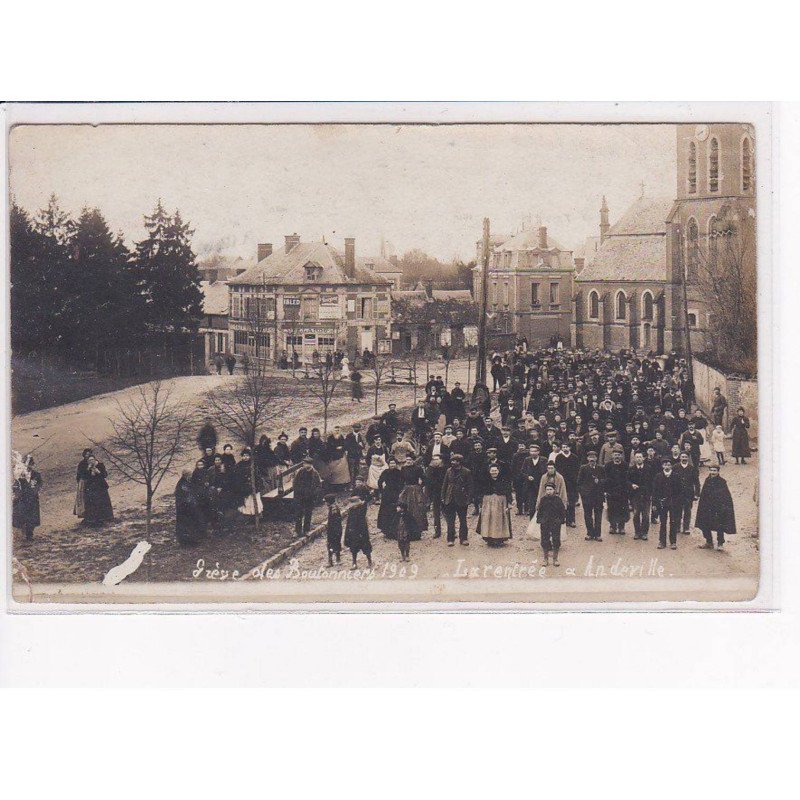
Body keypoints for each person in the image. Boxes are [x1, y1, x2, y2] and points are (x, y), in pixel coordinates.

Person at [695, 464, 737, 550]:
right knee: (705, 524)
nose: (713, 472)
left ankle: (720, 543)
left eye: (714, 471)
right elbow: (704, 494)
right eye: (711, 470)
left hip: (718, 508)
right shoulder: (707, 480)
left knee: (719, 525)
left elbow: (726, 496)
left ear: (718, 471)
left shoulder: (722, 482)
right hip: (707, 507)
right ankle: (709, 542)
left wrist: (723, 507)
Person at [441, 454, 473, 546]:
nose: (452, 462)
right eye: (452, 461)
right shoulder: (448, 471)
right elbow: (445, 485)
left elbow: (470, 486)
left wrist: (469, 499)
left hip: (461, 499)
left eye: (454, 461)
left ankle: (463, 539)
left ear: (459, 462)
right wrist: (443, 497)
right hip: (449, 498)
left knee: (463, 520)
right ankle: (450, 539)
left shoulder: (466, 472)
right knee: (450, 521)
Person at [478, 463, 513, 546]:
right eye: (492, 471)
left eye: (495, 470)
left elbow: (508, 491)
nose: (494, 472)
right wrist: (480, 504)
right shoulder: (485, 480)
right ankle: (489, 538)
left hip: (501, 502)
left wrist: (509, 503)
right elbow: (481, 492)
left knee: (499, 519)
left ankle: (499, 538)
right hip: (488, 501)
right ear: (489, 471)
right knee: (488, 518)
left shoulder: (504, 480)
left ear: (498, 471)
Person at [652, 458, 681, 550]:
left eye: (669, 464)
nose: (667, 466)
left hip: (673, 503)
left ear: (671, 466)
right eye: (665, 465)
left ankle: (673, 542)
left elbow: (680, 491)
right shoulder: (658, 476)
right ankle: (662, 542)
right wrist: (655, 504)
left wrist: (677, 502)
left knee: (673, 522)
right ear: (662, 466)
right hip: (662, 503)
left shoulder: (676, 476)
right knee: (663, 522)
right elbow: (655, 491)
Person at [12, 454, 43, 541]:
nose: (28, 466)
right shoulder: (19, 475)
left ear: (32, 464)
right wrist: (18, 493)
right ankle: (23, 533)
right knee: (23, 516)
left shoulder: (36, 474)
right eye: (26, 464)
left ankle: (30, 534)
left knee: (32, 517)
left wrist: (35, 490)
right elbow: (15, 486)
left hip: (33, 499)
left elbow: (40, 484)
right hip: (23, 499)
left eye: (30, 464)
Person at [174, 469, 207, 546]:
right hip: (185, 509)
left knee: (189, 524)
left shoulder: (184, 483)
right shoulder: (183, 484)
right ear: (186, 475)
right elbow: (187, 496)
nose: (191, 476)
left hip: (185, 508)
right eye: (190, 475)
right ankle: (187, 542)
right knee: (187, 525)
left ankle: (189, 541)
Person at [537, 483, 566, 567]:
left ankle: (555, 559)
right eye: (547, 489)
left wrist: (561, 520)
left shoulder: (558, 500)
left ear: (554, 490)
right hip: (545, 522)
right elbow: (540, 511)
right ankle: (545, 559)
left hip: (555, 523)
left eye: (550, 489)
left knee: (556, 539)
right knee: (544, 539)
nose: (549, 491)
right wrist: (540, 520)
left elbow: (562, 511)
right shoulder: (543, 500)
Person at [344, 481, 373, 568]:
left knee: (365, 545)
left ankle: (369, 561)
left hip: (361, 531)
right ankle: (354, 563)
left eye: (355, 504)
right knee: (353, 548)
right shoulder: (351, 511)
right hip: (353, 532)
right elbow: (349, 523)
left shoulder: (361, 511)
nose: (354, 506)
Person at [577, 450, 604, 541]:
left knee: (598, 515)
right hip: (587, 496)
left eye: (594, 457)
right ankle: (590, 533)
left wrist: (599, 481)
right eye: (590, 457)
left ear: (596, 458)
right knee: (588, 515)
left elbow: (605, 481)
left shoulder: (601, 468)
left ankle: (598, 534)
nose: (592, 459)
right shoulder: (583, 468)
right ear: (587, 459)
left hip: (598, 496)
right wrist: (583, 493)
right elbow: (579, 482)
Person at [603, 447, 630, 535]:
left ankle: (621, 527)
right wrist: (606, 490)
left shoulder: (625, 465)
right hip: (611, 491)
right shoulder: (608, 465)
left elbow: (627, 478)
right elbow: (605, 479)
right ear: (612, 456)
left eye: (618, 455)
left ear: (621, 456)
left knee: (623, 508)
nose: (617, 457)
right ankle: (613, 526)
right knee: (612, 508)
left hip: (622, 491)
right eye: (615, 455)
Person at [292, 456, 321, 536]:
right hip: (300, 496)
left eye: (307, 464)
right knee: (299, 514)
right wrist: (297, 493)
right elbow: (295, 483)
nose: (305, 465)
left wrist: (313, 494)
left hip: (310, 497)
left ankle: (306, 530)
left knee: (308, 513)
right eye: (304, 464)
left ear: (311, 465)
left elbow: (318, 486)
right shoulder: (300, 471)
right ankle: (297, 531)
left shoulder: (315, 473)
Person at [82, 454, 114, 526]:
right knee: (93, 504)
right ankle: (94, 519)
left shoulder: (100, 465)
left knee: (103, 502)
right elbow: (84, 477)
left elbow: (105, 475)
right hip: (92, 488)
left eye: (92, 460)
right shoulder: (87, 468)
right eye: (89, 460)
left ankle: (106, 517)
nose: (91, 461)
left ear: (95, 459)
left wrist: (98, 472)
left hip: (101, 487)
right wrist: (88, 470)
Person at [627, 451, 652, 540]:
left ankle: (644, 533)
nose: (638, 459)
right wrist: (631, 485)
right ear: (634, 459)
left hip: (646, 495)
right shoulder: (631, 469)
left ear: (643, 458)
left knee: (646, 515)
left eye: (640, 457)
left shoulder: (649, 468)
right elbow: (627, 480)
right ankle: (637, 532)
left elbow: (652, 482)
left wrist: (650, 492)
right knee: (636, 514)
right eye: (637, 457)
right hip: (635, 495)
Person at [376, 457, 403, 539]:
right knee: (386, 511)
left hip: (396, 492)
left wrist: (401, 490)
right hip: (387, 493)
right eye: (391, 463)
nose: (392, 465)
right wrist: (381, 491)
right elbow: (380, 481)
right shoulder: (385, 472)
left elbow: (402, 482)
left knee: (395, 510)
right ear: (388, 464)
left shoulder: (399, 472)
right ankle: (387, 531)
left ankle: (395, 530)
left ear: (396, 464)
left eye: (394, 463)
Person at [674, 451, 701, 535]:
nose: (684, 458)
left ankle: (686, 528)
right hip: (677, 493)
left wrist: (697, 494)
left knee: (687, 510)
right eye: (682, 457)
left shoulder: (692, 468)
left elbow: (696, 482)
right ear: (680, 457)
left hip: (688, 493)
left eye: (686, 457)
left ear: (688, 458)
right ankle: (677, 527)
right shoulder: (675, 467)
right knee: (677, 510)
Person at [235, 449, 263, 517]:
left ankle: (256, 515)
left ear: (250, 456)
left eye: (247, 455)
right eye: (244, 456)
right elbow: (237, 476)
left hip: (254, 485)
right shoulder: (239, 465)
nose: (245, 457)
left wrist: (256, 483)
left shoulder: (253, 464)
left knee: (254, 501)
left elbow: (257, 475)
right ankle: (247, 515)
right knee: (246, 502)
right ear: (241, 457)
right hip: (244, 486)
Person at [425, 452, 447, 539]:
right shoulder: (430, 470)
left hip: (445, 493)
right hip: (435, 494)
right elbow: (427, 482)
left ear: (441, 460)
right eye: (434, 459)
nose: (435, 461)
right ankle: (437, 531)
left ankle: (452, 531)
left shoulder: (445, 469)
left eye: (437, 459)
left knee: (447, 513)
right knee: (436, 513)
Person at [323, 493, 342, 566]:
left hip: (334, 530)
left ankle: (331, 561)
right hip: (336, 530)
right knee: (336, 544)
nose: (325, 503)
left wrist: (330, 530)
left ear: (329, 502)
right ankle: (337, 559)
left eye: (326, 501)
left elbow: (335, 521)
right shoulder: (333, 507)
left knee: (331, 544)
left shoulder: (334, 509)